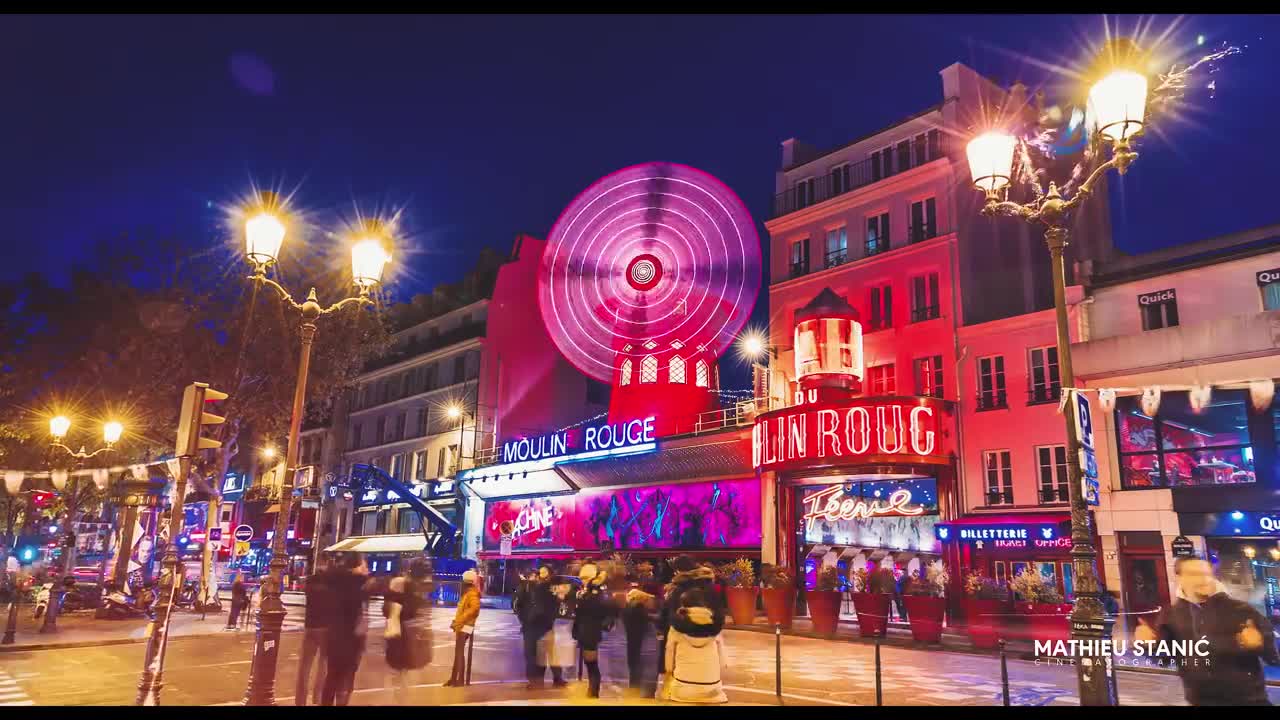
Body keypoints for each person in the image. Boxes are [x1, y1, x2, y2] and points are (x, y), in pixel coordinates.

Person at [1135, 555, 1280, 706]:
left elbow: (1273, 657)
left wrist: (1260, 644)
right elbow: (1164, 660)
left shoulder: (1241, 610)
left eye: (1206, 574)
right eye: (1194, 574)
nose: (1202, 579)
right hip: (1201, 701)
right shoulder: (1170, 615)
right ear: (1180, 578)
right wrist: (1147, 645)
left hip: (1249, 700)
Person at [320, 553, 372, 707]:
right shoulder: (357, 586)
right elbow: (357, 614)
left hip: (333, 637)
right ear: (356, 566)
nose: (367, 569)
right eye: (364, 565)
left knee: (332, 678)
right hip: (349, 641)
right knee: (345, 682)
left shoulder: (335, 581)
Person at [657, 555, 722, 674]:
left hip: (682, 644)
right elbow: (718, 616)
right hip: (707, 649)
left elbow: (669, 614)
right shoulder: (709, 586)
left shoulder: (678, 588)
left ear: (679, 570)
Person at [661, 588, 728, 704]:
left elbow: (669, 656)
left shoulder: (677, 627)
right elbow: (723, 662)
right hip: (712, 690)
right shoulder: (714, 627)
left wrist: (668, 673)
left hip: (683, 688)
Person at [385, 558, 434, 701]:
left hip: (403, 635)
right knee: (402, 674)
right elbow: (396, 611)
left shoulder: (407, 585)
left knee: (401, 673)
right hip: (403, 635)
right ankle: (400, 698)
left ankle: (400, 697)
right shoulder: (408, 586)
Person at [571, 563, 615, 698]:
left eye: (585, 578)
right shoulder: (587, 592)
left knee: (591, 664)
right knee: (589, 663)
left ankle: (593, 692)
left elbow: (601, 610)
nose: (583, 580)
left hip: (591, 632)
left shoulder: (596, 593)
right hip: (585, 631)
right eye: (582, 578)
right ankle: (592, 690)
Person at [295, 556, 333, 706]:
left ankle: (300, 701)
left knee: (304, 667)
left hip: (310, 626)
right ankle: (317, 699)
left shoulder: (310, 581)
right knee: (322, 666)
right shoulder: (331, 583)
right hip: (325, 628)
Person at [521, 566, 567, 689]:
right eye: (540, 572)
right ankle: (537, 680)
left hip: (544, 624)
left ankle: (553, 678)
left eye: (544, 571)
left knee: (547, 652)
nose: (541, 574)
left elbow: (559, 600)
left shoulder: (550, 586)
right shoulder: (531, 587)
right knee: (535, 653)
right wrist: (526, 619)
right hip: (533, 624)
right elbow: (519, 604)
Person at [445, 569, 481, 686]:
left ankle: (459, 680)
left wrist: (460, 620)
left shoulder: (471, 593)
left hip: (466, 626)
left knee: (459, 652)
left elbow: (474, 609)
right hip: (463, 625)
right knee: (458, 652)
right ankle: (454, 678)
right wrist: (457, 622)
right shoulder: (468, 593)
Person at [623, 587, 655, 694]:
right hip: (637, 635)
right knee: (636, 661)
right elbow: (644, 620)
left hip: (631, 635)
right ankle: (635, 684)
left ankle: (633, 683)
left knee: (632, 660)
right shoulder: (638, 607)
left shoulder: (628, 606)